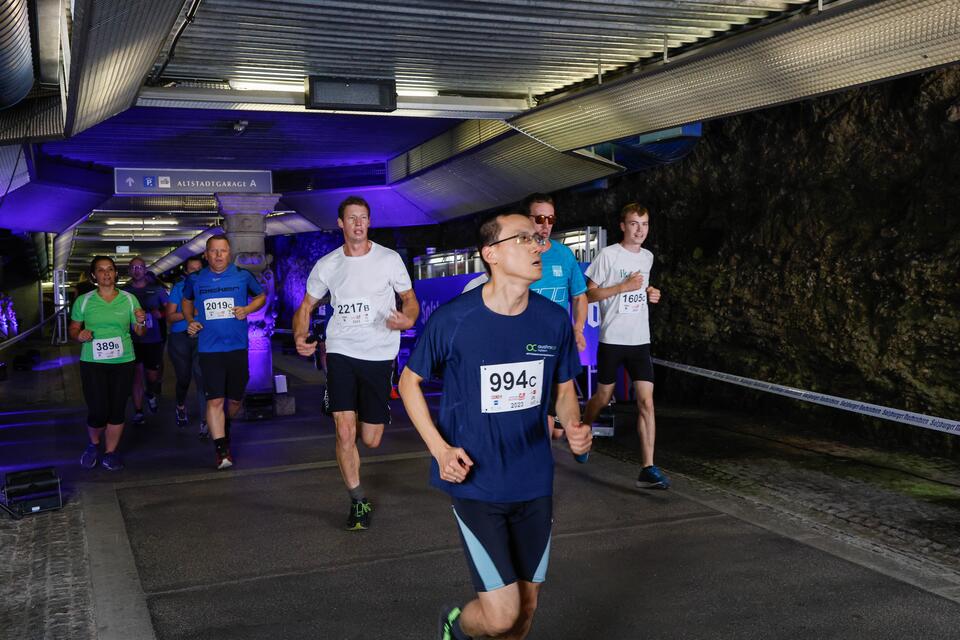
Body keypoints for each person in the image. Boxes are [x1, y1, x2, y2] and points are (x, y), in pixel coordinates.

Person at [398, 212, 592, 640]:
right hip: (476, 481)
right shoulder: (454, 319)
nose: (538, 244)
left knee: (527, 607)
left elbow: (562, 390)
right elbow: (409, 383)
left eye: (538, 238)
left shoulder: (552, 320)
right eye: (523, 238)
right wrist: (440, 449)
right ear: (492, 254)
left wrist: (574, 424)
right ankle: (457, 627)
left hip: (534, 478)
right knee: (501, 616)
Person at [293, 195, 419, 531]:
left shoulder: (389, 259)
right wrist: (299, 337)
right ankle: (357, 499)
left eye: (363, 217)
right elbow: (305, 306)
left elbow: (409, 300)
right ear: (341, 223)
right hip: (341, 350)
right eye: (352, 218)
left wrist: (407, 321)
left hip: (379, 353)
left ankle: (362, 411)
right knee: (345, 431)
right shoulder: (328, 265)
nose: (358, 223)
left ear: (369, 222)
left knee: (372, 438)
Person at [581, 202, 668, 489]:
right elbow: (588, 296)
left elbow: (641, 291)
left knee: (646, 401)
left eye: (644, 224)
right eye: (634, 223)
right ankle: (582, 429)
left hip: (640, 339)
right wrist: (621, 288)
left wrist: (650, 293)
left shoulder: (648, 257)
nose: (639, 229)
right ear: (622, 225)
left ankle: (648, 468)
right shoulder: (608, 255)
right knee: (603, 397)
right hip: (612, 339)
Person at [181, 235, 266, 469]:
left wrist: (247, 309)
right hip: (209, 350)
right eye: (214, 251)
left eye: (223, 251)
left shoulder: (242, 276)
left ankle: (223, 424)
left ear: (230, 253)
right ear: (206, 255)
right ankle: (221, 450)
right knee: (215, 399)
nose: (218, 255)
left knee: (236, 399)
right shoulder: (196, 279)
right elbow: (186, 301)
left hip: (237, 348)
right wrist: (190, 320)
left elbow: (261, 296)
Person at [70, 256, 147, 471]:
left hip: (123, 360)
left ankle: (111, 452)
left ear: (115, 273)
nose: (106, 273)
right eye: (101, 270)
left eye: (110, 269)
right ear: (94, 275)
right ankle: (94, 445)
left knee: (117, 408)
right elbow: (73, 329)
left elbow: (140, 331)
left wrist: (141, 321)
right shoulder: (84, 301)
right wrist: (80, 335)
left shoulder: (130, 299)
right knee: (97, 409)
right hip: (92, 362)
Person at [122, 256, 169, 424]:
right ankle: (139, 411)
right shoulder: (124, 292)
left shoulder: (157, 290)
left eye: (140, 267)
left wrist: (161, 314)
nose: (137, 270)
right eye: (133, 268)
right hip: (131, 340)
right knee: (136, 375)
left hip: (152, 339)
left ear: (145, 269)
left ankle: (150, 393)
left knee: (152, 376)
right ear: (129, 270)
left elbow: (170, 311)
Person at [165, 255, 207, 438]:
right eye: (192, 269)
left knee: (202, 379)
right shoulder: (179, 288)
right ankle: (180, 406)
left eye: (199, 269)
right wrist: (190, 313)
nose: (196, 272)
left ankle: (205, 421)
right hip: (180, 337)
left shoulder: (209, 287)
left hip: (202, 336)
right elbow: (170, 317)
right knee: (184, 378)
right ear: (186, 272)